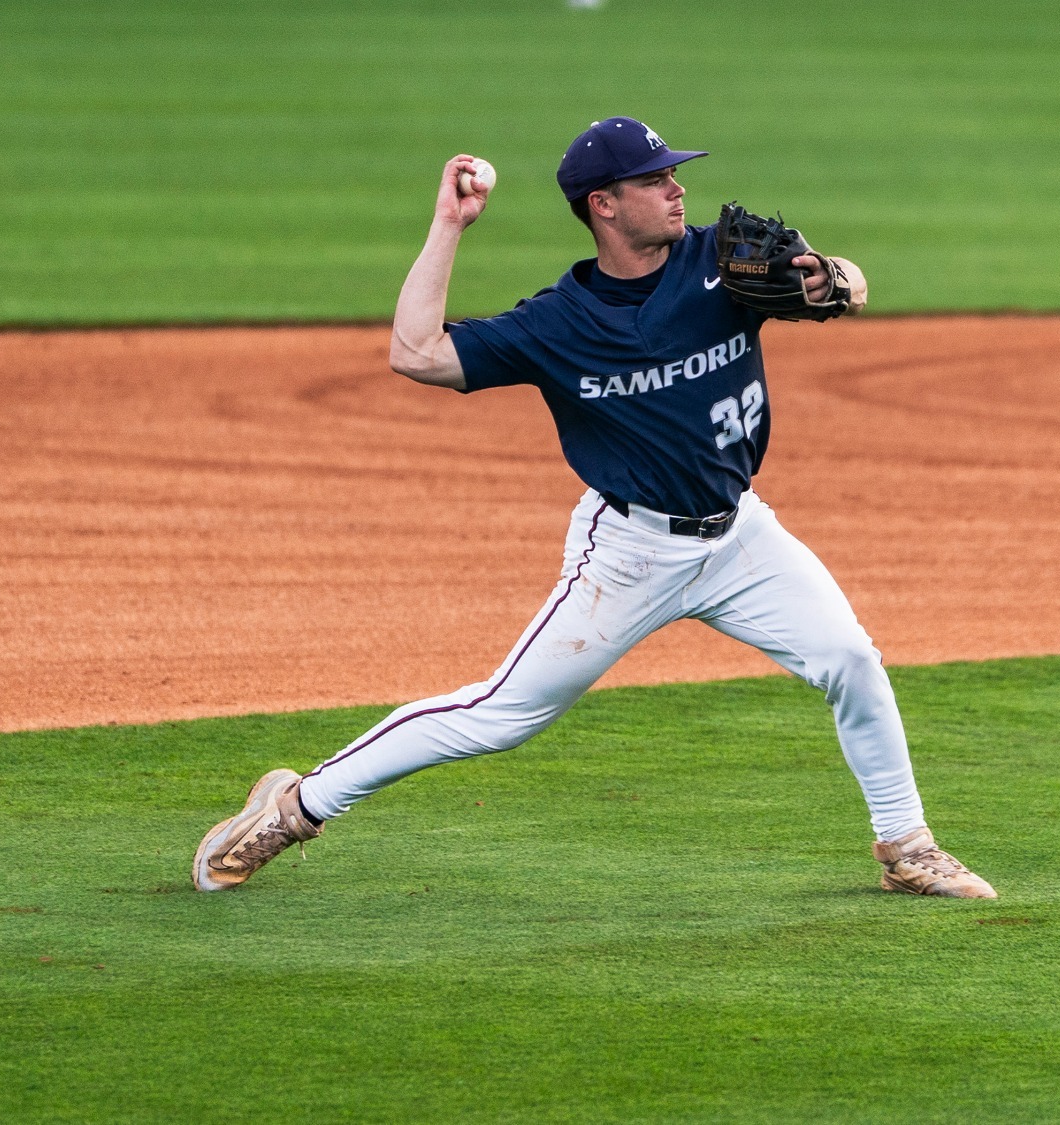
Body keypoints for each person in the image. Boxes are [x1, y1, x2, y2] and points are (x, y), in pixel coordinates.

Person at [193, 117, 995, 899]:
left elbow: (843, 283)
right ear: (603, 205)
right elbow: (416, 352)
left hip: (741, 535)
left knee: (851, 660)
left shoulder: (721, 260)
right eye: (655, 180)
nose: (677, 189)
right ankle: (293, 807)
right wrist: (449, 224)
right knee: (501, 714)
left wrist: (832, 277)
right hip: (630, 554)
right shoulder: (556, 325)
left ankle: (908, 846)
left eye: (675, 173)